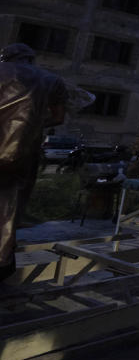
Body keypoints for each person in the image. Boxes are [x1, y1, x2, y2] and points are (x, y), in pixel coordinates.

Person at [0, 43, 67, 282]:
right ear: (31, 59)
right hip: (21, 153)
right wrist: (34, 123)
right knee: (10, 207)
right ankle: (2, 262)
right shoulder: (51, 80)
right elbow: (58, 117)